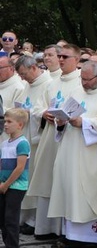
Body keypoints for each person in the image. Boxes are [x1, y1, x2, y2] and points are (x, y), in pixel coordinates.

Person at [47, 61, 97, 246]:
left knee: (91, 193)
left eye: (88, 80)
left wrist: (85, 123)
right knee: (70, 189)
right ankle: (71, 234)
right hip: (70, 150)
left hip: (94, 155)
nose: (84, 83)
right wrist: (61, 122)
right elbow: (66, 112)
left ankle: (96, 236)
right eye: (82, 78)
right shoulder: (76, 92)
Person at [27, 44, 82, 239]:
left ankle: (64, 230)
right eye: (60, 56)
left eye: (65, 57)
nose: (61, 60)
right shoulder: (52, 82)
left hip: (69, 137)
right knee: (46, 179)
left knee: (64, 180)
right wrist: (44, 113)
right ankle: (44, 227)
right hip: (50, 137)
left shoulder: (81, 82)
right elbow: (37, 107)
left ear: (77, 59)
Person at [14, 56, 52, 235]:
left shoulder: (48, 83)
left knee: (36, 179)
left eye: (24, 74)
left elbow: (42, 110)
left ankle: (34, 219)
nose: (22, 78)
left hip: (37, 139)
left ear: (34, 67)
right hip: (25, 137)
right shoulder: (28, 85)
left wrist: (32, 112)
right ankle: (24, 217)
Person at [0, 108, 30, 248]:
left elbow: (20, 167)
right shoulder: (4, 144)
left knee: (10, 219)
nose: (5, 124)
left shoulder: (22, 143)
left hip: (16, 187)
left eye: (9, 121)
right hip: (3, 186)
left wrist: (6, 185)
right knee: (2, 219)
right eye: (5, 121)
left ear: (20, 125)